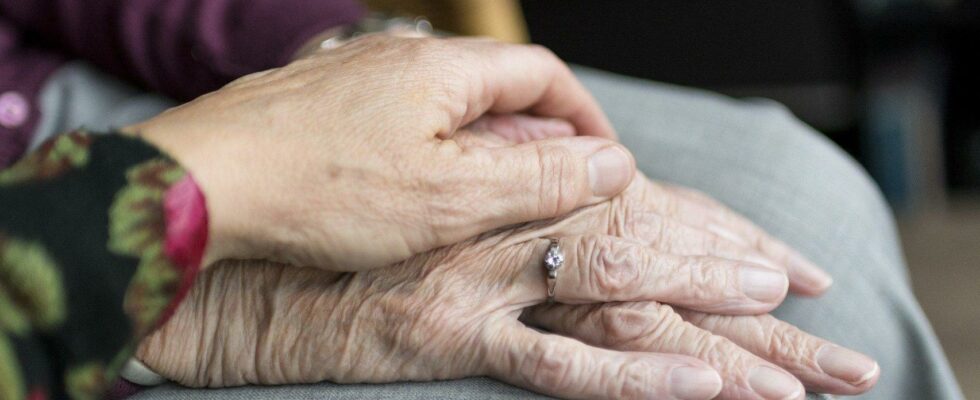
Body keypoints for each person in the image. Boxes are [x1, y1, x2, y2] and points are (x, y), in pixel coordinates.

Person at [0, 1, 963, 400]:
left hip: (68, 88)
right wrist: (207, 298)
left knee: (800, 207)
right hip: (41, 289)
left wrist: (342, 65)